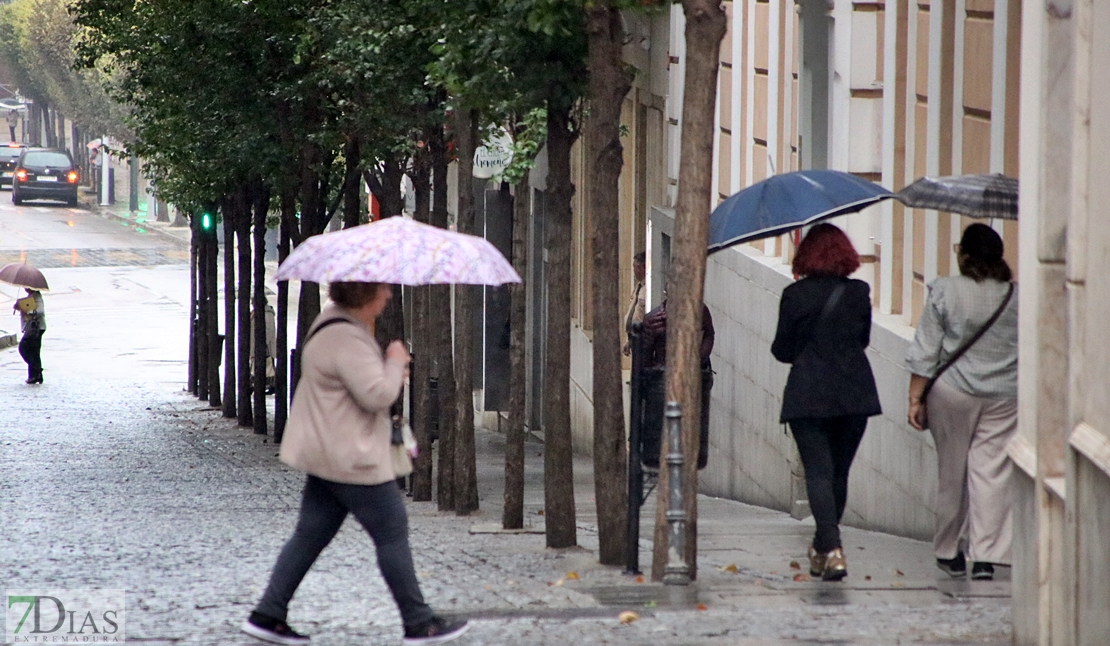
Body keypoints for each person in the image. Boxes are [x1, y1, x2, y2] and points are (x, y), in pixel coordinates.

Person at [242, 282, 468, 646]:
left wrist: (384, 367)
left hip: (328, 451)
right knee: (391, 528)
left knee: (310, 533)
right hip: (350, 456)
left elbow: (356, 382)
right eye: (382, 290)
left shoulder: (333, 323)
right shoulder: (345, 337)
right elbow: (378, 394)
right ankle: (419, 623)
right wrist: (395, 362)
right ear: (366, 295)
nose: (388, 295)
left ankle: (268, 613)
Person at [905, 223, 1018, 582]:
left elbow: (926, 350)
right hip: (1004, 394)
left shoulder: (945, 290)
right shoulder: (1016, 295)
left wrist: (914, 398)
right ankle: (986, 556)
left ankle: (949, 551)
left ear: (965, 255)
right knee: (992, 474)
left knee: (951, 472)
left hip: (952, 392)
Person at [771, 223, 881, 582]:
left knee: (818, 472)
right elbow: (863, 340)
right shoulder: (858, 292)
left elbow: (781, 350)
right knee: (838, 473)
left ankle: (832, 549)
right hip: (854, 393)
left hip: (809, 394)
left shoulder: (795, 295)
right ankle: (823, 548)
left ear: (807, 256)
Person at [638, 292, 715, 470]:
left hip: (691, 377)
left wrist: (696, 360)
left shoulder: (700, 311)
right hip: (661, 381)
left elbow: (709, 335)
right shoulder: (653, 319)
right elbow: (644, 361)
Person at [15, 288, 46, 384]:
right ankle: (35, 376)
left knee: (24, 348)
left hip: (36, 328)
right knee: (34, 352)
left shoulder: (37, 297)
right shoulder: (32, 296)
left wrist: (27, 310)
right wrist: (19, 307)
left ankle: (37, 370)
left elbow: (40, 311)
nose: (25, 288)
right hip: (32, 328)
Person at [249, 299, 277, 394]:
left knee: (267, 366)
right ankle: (258, 384)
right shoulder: (255, 312)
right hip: (256, 344)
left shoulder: (267, 313)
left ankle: (271, 385)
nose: (251, 304)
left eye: (253, 302)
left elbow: (268, 330)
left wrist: (264, 343)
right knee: (260, 365)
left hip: (264, 345)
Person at [622, 252, 646, 356]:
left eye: (635, 268)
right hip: (633, 337)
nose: (634, 271)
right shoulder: (639, 287)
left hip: (642, 338)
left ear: (641, 268)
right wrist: (628, 341)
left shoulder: (648, 289)